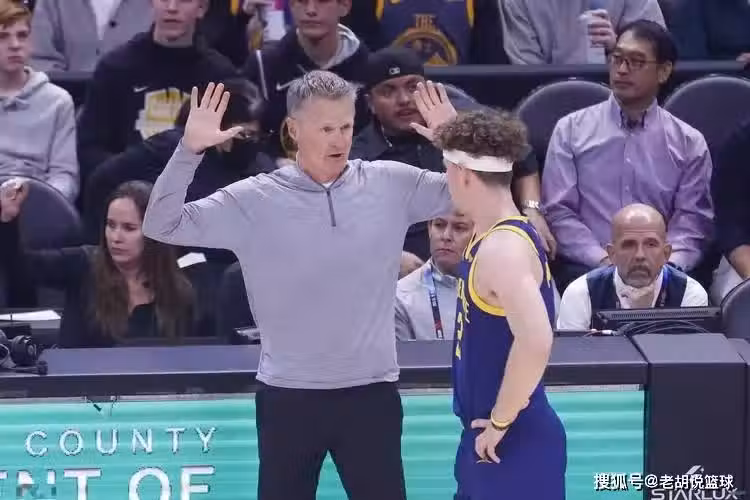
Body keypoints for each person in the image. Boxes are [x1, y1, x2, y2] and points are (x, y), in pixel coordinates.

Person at [141, 72, 456, 499]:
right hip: (288, 398)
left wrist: (455, 144)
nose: (339, 140)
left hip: (371, 395)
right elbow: (160, 224)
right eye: (326, 129)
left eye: (346, 127)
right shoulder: (253, 199)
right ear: (293, 130)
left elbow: (473, 196)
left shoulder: (390, 183)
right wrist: (188, 151)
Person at [433, 109, 566, 499]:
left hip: (511, 440)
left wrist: (501, 421)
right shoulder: (488, 228)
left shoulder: (503, 249)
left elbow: (536, 341)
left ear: (463, 175)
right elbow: (480, 156)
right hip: (490, 437)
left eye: (447, 170)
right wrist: (453, 132)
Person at [542, 20, 713, 293]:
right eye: (617, 58)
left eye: (636, 61)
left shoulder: (688, 143)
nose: (621, 69)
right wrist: (604, 261)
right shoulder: (571, 130)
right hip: (586, 270)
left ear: (664, 71)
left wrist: (667, 267)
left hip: (665, 274)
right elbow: (559, 212)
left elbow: (692, 221)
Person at [352, 46, 554, 261]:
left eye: (413, 87)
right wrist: (392, 257)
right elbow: (351, 227)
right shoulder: (358, 158)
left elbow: (523, 159)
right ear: (370, 103)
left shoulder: (464, 124)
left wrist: (532, 210)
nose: (404, 99)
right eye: (388, 91)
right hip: (408, 265)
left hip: (483, 251)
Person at [0, 179, 195, 348]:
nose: (115, 237)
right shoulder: (83, 264)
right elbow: (21, 268)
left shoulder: (178, 290)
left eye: (129, 228)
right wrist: (7, 219)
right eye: (111, 225)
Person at [76, 0, 238, 180]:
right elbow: (90, 150)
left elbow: (232, 154)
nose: (172, 8)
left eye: (183, 0)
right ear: (151, 3)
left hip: (196, 190)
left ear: (202, 8)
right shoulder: (116, 68)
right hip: (125, 188)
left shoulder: (220, 76)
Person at [242, 0, 370, 162]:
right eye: (302, 1)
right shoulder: (263, 66)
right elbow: (240, 139)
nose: (310, 10)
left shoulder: (369, 69)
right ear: (291, 5)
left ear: (344, 6)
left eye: (322, 1)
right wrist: (273, 165)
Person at [557, 204, 708, 331]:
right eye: (629, 245)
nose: (639, 255)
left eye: (651, 244)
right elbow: (573, 355)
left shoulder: (689, 294)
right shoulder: (581, 293)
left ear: (666, 253)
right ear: (612, 254)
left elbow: (687, 356)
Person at [0, 0, 79, 201]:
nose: (15, 45)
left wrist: (37, 202)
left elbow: (65, 176)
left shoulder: (58, 101)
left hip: (37, 204)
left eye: (22, 35)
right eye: (3, 37)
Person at [500, 0, 665, 64]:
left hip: (624, 103)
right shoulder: (518, 3)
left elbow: (660, 58)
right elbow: (527, 79)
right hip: (551, 106)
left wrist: (617, 49)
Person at [395, 210, 473, 341]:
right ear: (429, 228)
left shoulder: (501, 290)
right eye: (439, 225)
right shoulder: (401, 298)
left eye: (459, 228)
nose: (446, 236)